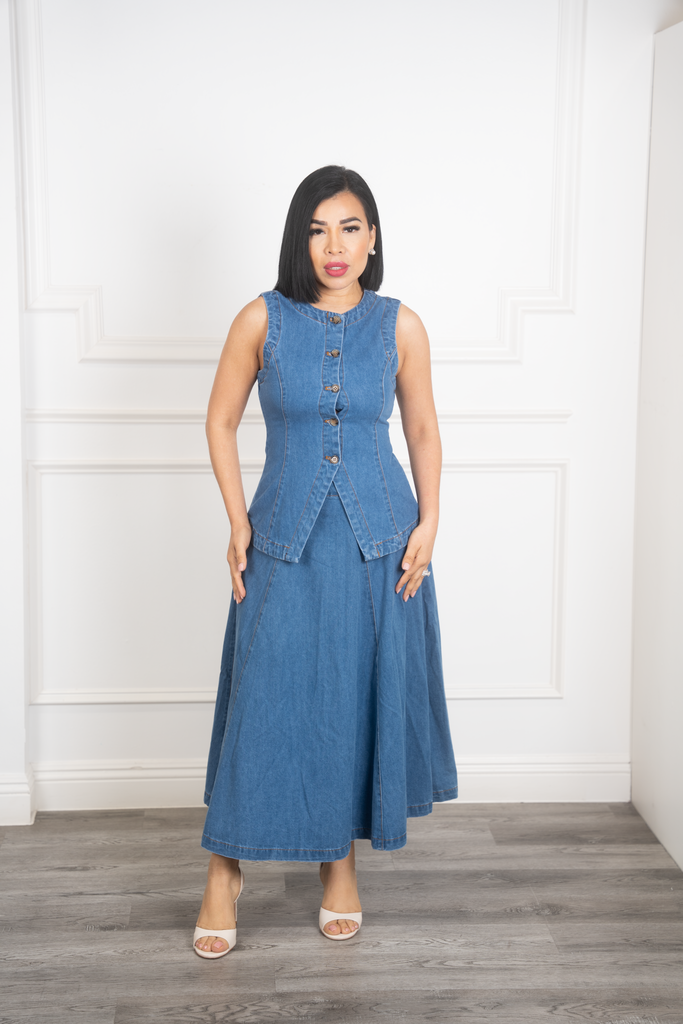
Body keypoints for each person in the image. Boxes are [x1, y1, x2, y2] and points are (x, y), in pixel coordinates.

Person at [193, 165, 458, 959]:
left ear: (372, 238)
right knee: (263, 700)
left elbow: (422, 429)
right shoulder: (260, 318)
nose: (333, 245)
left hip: (381, 541)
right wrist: (236, 521)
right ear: (297, 239)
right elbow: (219, 420)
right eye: (316, 229)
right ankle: (223, 870)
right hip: (281, 538)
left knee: (348, 702)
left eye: (348, 227)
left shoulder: (401, 326)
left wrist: (431, 520)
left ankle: (337, 864)